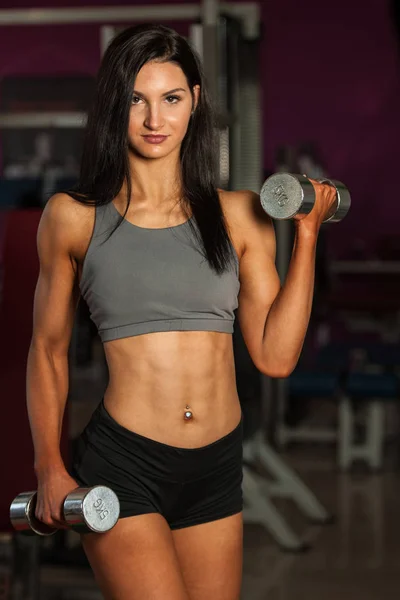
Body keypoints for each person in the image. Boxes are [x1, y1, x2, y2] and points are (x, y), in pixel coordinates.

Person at [26, 24, 336, 600]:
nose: (153, 120)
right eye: (137, 100)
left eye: (170, 99)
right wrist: (50, 466)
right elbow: (46, 351)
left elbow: (274, 356)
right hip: (125, 465)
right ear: (115, 105)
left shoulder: (241, 215)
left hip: (216, 467)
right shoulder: (72, 218)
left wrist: (308, 237)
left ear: (194, 101)